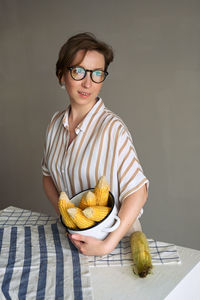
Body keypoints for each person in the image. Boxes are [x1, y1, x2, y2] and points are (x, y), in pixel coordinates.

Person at [42, 32, 149, 256]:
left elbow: (138, 193)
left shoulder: (113, 129)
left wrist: (106, 246)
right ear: (62, 74)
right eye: (79, 71)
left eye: (97, 73)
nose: (88, 83)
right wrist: (67, 216)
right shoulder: (54, 124)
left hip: (114, 242)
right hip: (72, 239)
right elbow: (47, 177)